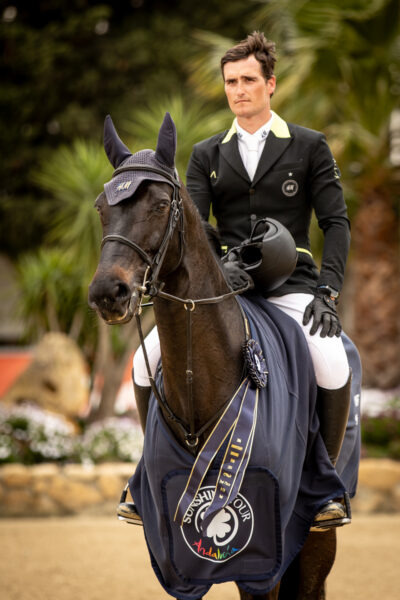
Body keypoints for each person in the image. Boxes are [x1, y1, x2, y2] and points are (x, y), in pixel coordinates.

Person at [132, 31, 352, 529]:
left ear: (270, 84)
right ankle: (146, 474)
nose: (239, 90)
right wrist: (215, 264)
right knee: (143, 364)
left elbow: (335, 223)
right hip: (224, 287)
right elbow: (190, 225)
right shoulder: (207, 154)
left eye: (249, 80)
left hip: (292, 284)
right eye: (231, 81)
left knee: (331, 362)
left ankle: (323, 486)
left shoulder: (310, 145)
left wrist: (328, 291)